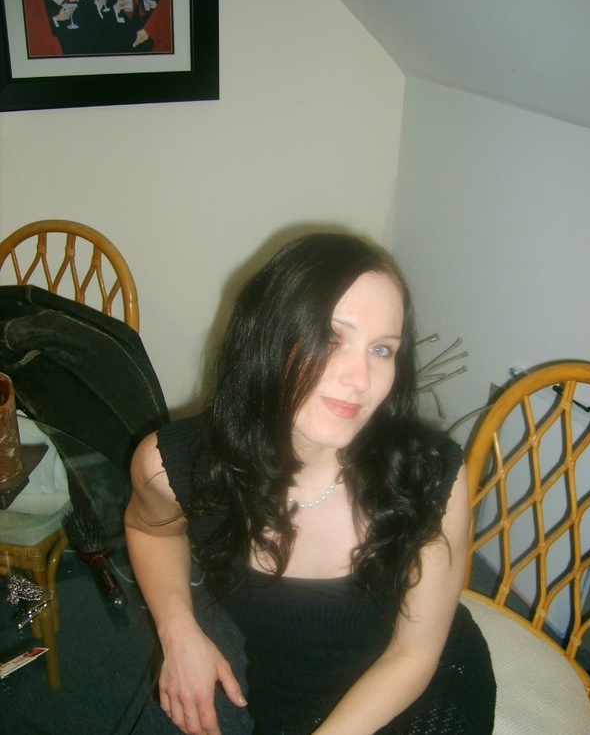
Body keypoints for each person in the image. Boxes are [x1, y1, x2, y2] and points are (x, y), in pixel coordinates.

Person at [125, 232, 496, 735]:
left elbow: (413, 655)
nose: (360, 379)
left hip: (419, 684)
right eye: (330, 337)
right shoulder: (178, 464)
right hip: (290, 689)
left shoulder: (427, 473)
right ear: (267, 337)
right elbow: (149, 529)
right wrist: (177, 628)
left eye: (382, 349)